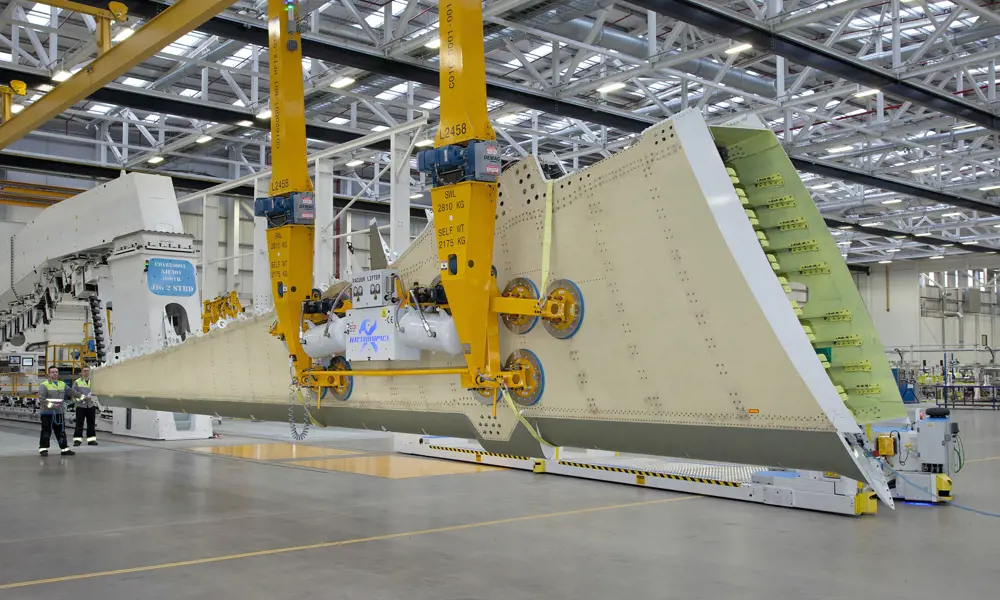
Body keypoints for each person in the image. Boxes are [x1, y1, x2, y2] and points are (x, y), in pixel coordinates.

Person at [37, 366, 75, 457]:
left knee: (61, 431)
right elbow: (42, 400)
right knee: (46, 431)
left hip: (59, 413)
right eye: (53, 372)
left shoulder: (62, 384)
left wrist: (82, 396)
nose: (55, 374)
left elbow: (71, 391)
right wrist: (53, 405)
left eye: (56, 372)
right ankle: (43, 449)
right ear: (49, 374)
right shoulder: (44, 385)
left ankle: (64, 449)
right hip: (47, 413)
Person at [72, 367, 98, 446]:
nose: (86, 372)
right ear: (81, 372)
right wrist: (82, 398)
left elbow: (97, 392)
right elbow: (74, 393)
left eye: (88, 371)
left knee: (91, 423)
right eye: (85, 371)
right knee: (79, 424)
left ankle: (91, 440)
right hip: (80, 406)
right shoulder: (77, 382)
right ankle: (77, 440)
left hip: (91, 405)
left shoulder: (94, 382)